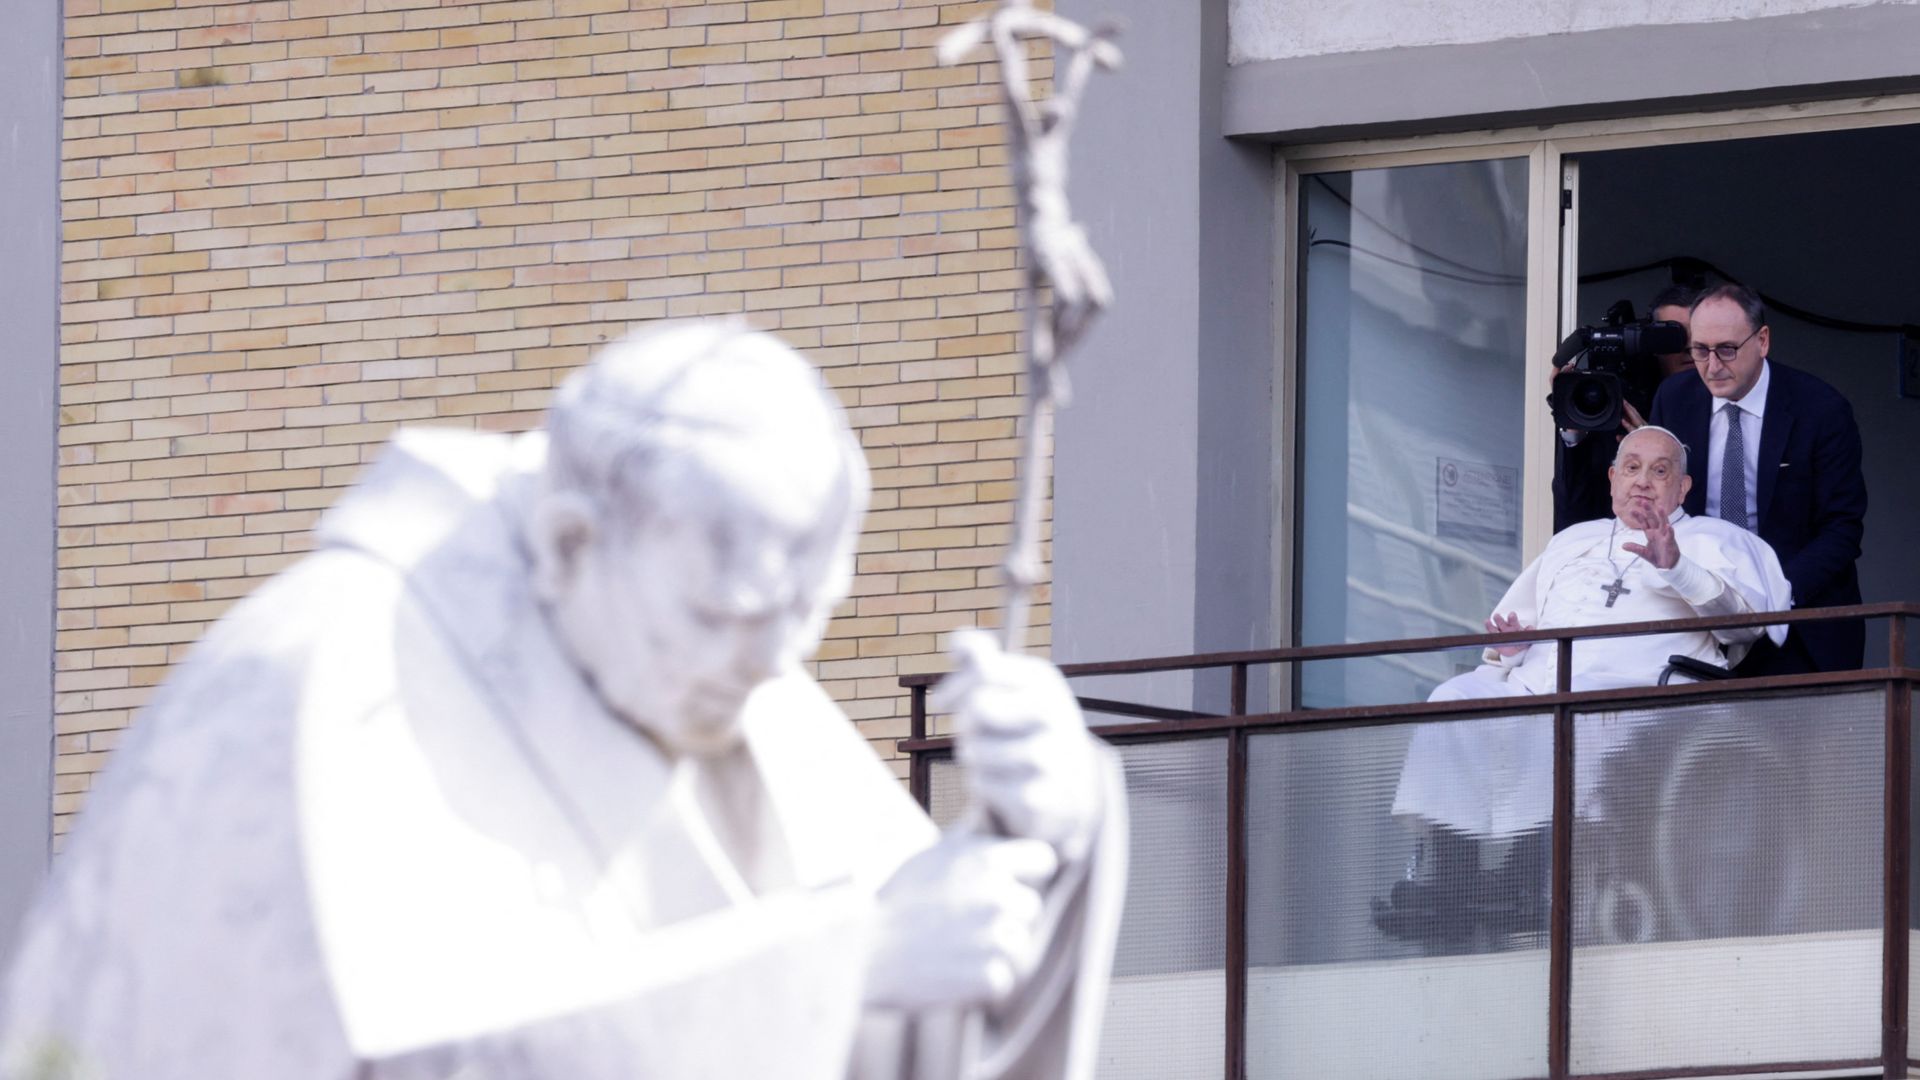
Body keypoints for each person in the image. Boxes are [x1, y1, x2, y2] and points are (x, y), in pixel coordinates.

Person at [0, 323, 1128, 1080]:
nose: (769, 673)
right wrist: (844, 968)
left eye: (806, 622)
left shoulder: (721, 674)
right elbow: (345, 1053)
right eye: (731, 619)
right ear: (568, 542)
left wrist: (1042, 832)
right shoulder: (307, 686)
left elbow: (916, 971)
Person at [1375, 426, 1789, 949]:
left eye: (1660, 471)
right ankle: (1451, 878)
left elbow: (1747, 627)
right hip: (1538, 687)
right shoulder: (1573, 540)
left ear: (1683, 488)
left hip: (1640, 701)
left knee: (1575, 721)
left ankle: (1526, 879)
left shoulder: (1715, 540)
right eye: (1632, 468)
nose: (1643, 482)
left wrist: (1677, 566)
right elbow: (1509, 635)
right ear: (1612, 479)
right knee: (1454, 701)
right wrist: (1512, 647)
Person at [1650, 282, 1868, 673]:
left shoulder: (1821, 409)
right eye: (1699, 350)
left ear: (1762, 340)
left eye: (1727, 350)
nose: (1712, 366)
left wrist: (1767, 594)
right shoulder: (1674, 399)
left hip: (1798, 619)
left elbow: (1842, 529)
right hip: (1699, 619)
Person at [1551, 284, 1698, 530]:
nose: (1689, 348)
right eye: (1673, 337)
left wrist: (1654, 442)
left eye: (1698, 336)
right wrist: (1574, 429)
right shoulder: (1621, 403)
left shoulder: (1723, 408)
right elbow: (1572, 516)